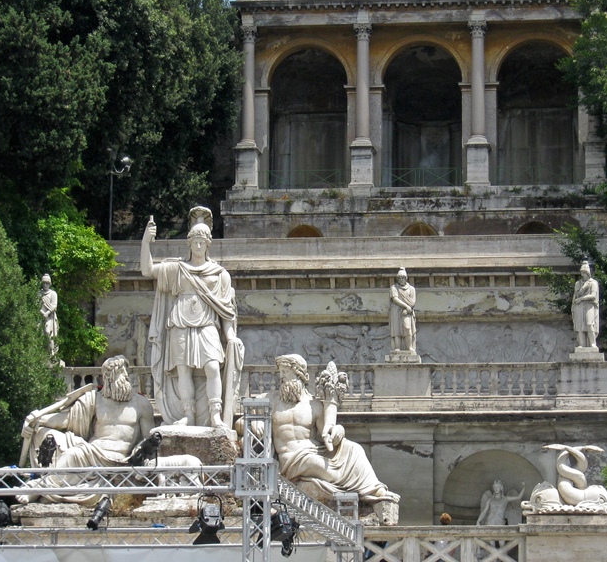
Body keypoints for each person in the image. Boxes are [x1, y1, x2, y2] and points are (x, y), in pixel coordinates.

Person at [142, 207, 244, 428]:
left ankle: (215, 414)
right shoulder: (177, 269)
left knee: (213, 367)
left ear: (208, 244)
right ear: (189, 244)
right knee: (183, 370)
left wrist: (230, 336)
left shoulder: (220, 274)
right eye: (194, 241)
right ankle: (188, 414)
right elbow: (147, 271)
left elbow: (225, 310)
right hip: (179, 322)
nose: (198, 246)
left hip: (207, 323)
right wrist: (146, 242)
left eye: (202, 242)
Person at [264, 355, 400, 517]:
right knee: (315, 462)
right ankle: (357, 488)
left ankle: (374, 489)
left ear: (299, 374)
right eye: (281, 372)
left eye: (286, 371)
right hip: (292, 459)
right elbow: (245, 417)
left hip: (315, 451)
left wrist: (338, 431)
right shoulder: (271, 400)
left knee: (354, 448)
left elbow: (326, 435)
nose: (282, 376)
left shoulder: (314, 405)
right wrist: (255, 423)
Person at [18, 356, 155, 504]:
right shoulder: (95, 400)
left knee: (74, 454)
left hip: (121, 460)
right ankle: (43, 487)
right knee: (55, 440)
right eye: (121, 372)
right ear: (107, 378)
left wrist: (139, 452)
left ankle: (39, 487)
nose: (126, 376)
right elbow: (66, 420)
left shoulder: (141, 404)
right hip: (92, 452)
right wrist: (38, 420)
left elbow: (150, 438)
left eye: (126, 372)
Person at [572, 261, 600, 350]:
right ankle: (582, 344)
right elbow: (576, 295)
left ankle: (593, 343)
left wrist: (581, 299)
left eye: (583, 272)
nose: (582, 274)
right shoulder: (578, 283)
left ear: (587, 273)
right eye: (581, 272)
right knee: (580, 325)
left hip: (590, 305)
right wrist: (583, 288)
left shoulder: (593, 283)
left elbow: (593, 296)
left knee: (589, 323)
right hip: (579, 306)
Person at [389, 268, 417, 352]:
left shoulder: (411, 289)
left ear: (406, 278)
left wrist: (408, 309)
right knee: (396, 329)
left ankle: (410, 347)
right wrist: (406, 306)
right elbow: (395, 299)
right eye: (399, 278)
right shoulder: (394, 287)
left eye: (403, 277)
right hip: (396, 310)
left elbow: (413, 302)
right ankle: (397, 347)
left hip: (407, 312)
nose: (401, 279)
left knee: (408, 328)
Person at [39, 273, 59, 357]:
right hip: (41, 316)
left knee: (48, 332)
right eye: (44, 283)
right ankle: (41, 353)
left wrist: (47, 313)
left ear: (50, 284)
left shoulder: (53, 293)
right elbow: (37, 306)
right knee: (39, 333)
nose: (45, 285)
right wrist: (43, 313)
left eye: (47, 283)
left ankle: (51, 353)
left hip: (50, 317)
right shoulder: (39, 294)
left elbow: (54, 305)